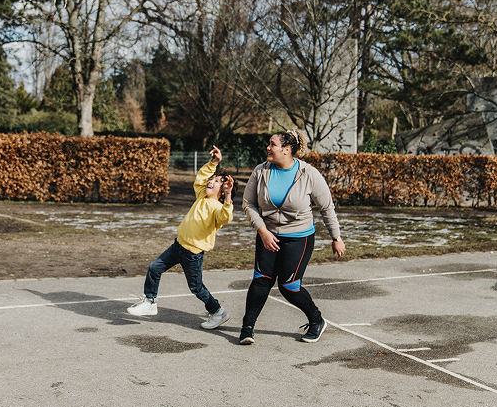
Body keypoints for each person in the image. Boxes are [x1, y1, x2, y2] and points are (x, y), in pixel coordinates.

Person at [239, 130, 345, 345]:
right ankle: (247, 328)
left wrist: (336, 237)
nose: (268, 148)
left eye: (272, 144)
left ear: (286, 150)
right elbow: (248, 204)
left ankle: (316, 320)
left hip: (299, 237)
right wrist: (263, 231)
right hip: (267, 235)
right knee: (261, 281)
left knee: (289, 286)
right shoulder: (261, 171)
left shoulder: (309, 174)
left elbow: (326, 208)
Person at [127, 146, 237, 330]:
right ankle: (150, 302)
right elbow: (201, 177)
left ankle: (218, 312)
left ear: (222, 189)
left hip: (192, 253)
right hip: (178, 246)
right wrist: (214, 163)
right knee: (154, 267)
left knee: (196, 288)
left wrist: (227, 196)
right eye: (212, 179)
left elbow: (227, 218)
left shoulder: (218, 207)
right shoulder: (202, 196)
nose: (211, 181)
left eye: (217, 181)